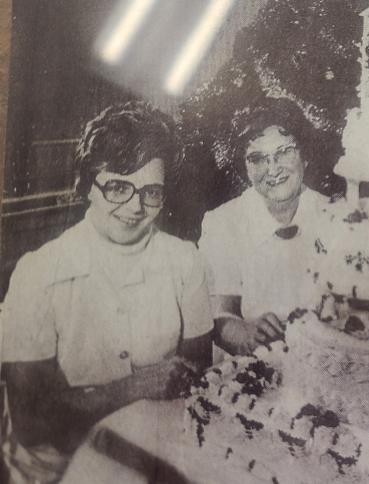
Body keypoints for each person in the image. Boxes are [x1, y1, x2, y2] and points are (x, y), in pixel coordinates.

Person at [0, 102, 214, 483]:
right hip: (55, 468)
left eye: (151, 192)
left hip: (154, 454)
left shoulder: (185, 261)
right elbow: (32, 422)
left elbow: (196, 377)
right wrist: (131, 387)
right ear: (88, 187)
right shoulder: (38, 271)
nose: (135, 207)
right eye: (118, 187)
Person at [198, 98, 330, 357]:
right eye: (257, 159)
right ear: (244, 168)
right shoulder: (223, 222)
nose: (273, 169)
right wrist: (246, 333)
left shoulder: (335, 216)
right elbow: (218, 313)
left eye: (284, 152)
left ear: (305, 156)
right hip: (253, 366)